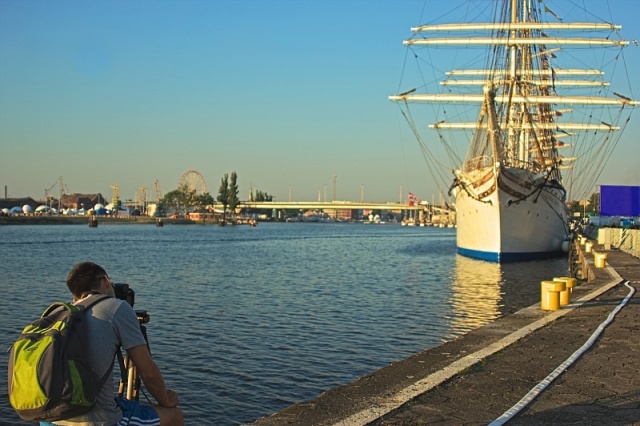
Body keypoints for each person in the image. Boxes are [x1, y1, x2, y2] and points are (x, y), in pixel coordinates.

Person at [41, 261, 184, 426]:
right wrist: (166, 399)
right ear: (106, 281)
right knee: (174, 415)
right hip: (98, 420)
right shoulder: (117, 307)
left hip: (50, 418)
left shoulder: (59, 313)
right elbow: (149, 374)